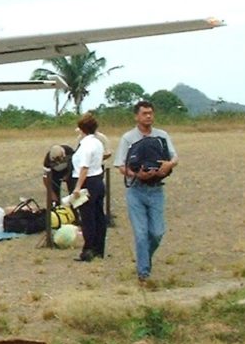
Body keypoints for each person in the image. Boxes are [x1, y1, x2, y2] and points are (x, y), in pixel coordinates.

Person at [114, 100, 178, 286]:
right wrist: (137, 174)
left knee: (157, 233)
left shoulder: (162, 136)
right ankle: (143, 273)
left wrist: (168, 166)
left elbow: (174, 157)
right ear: (137, 116)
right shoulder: (128, 138)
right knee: (141, 233)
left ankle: (145, 259)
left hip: (157, 190)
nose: (148, 116)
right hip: (136, 191)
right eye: (144, 113)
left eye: (150, 113)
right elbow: (120, 165)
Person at [70, 112, 107, 261]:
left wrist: (78, 187)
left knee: (87, 218)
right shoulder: (97, 142)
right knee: (99, 215)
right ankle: (99, 248)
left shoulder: (86, 145)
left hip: (87, 182)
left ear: (82, 129)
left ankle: (88, 249)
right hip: (98, 179)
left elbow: (84, 167)